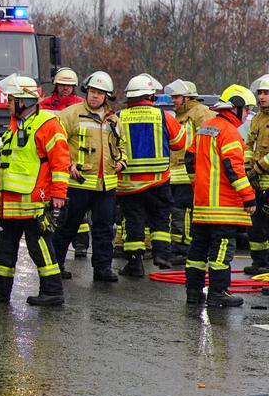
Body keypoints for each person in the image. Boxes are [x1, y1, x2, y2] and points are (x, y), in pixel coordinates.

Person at [0, 73, 70, 306]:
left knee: (40, 248)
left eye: (11, 99)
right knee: (5, 250)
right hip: (11, 203)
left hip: (35, 201)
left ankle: (53, 291)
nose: (7, 103)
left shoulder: (48, 125)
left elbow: (60, 163)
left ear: (24, 101)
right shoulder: (15, 126)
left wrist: (58, 195)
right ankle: (0, 291)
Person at [184, 84, 257, 307]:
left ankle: (194, 293)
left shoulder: (205, 127)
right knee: (221, 252)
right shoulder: (230, 133)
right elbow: (233, 170)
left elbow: (189, 161)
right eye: (246, 110)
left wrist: (200, 188)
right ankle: (218, 293)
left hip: (203, 206)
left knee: (197, 251)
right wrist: (248, 197)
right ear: (235, 108)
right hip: (224, 209)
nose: (247, 115)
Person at [50, 71, 125, 282]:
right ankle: (56, 266)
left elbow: (122, 145)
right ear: (86, 91)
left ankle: (102, 269)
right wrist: (68, 164)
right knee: (67, 227)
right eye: (92, 91)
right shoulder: (71, 114)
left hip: (106, 187)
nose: (95, 96)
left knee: (103, 230)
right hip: (77, 185)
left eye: (100, 93)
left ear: (106, 96)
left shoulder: (114, 120)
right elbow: (56, 143)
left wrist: (122, 161)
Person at [115, 74, 186, 275]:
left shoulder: (119, 117)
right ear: (150, 96)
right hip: (158, 181)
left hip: (128, 184)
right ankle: (162, 255)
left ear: (129, 98)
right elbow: (179, 143)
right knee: (161, 218)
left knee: (133, 222)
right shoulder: (163, 116)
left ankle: (135, 264)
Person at [164, 79, 214, 266]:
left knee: (183, 211)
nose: (174, 100)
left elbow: (206, 142)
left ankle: (184, 248)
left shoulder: (200, 112)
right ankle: (178, 246)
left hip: (189, 172)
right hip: (176, 172)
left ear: (187, 97)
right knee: (177, 210)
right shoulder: (181, 115)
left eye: (176, 97)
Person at [42, 67, 89, 254]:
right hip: (50, 161)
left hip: (77, 162)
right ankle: (52, 240)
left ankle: (81, 243)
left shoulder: (81, 105)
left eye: (69, 86)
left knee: (78, 207)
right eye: (62, 85)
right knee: (54, 204)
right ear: (56, 85)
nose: (65, 89)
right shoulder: (44, 105)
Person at [244, 74, 269, 276]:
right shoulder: (258, 118)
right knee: (255, 225)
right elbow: (248, 146)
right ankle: (258, 261)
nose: (262, 97)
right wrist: (246, 168)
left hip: (265, 179)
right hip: (256, 182)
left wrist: (257, 168)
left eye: (266, 93)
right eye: (260, 93)